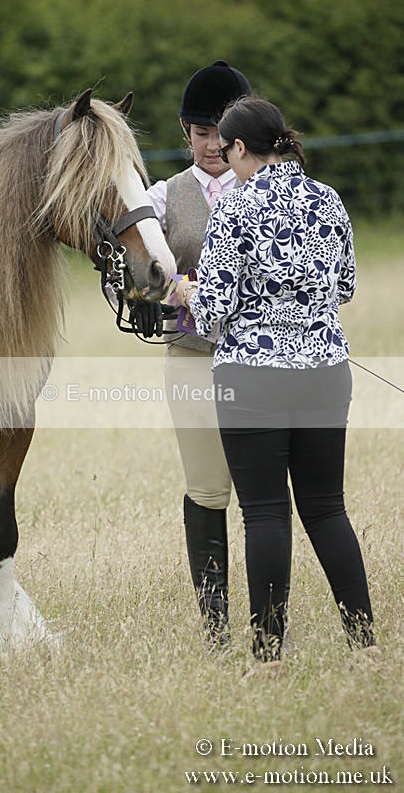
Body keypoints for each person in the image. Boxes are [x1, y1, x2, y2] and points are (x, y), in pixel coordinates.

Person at [176, 96, 377, 667]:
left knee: (265, 514)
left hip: (252, 377)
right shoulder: (328, 199)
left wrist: (187, 293)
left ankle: (268, 660)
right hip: (324, 374)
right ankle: (366, 648)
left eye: (228, 149)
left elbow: (212, 311)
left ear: (241, 148)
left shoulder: (236, 207)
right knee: (327, 509)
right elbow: (345, 287)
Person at [142, 61, 292, 649]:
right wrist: (172, 302)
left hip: (263, 360)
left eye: (218, 133)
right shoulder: (162, 197)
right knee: (207, 488)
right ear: (185, 133)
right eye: (198, 132)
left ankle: (269, 625)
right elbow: (144, 285)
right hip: (193, 360)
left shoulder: (273, 193)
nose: (210, 145)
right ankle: (214, 627)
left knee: (264, 494)